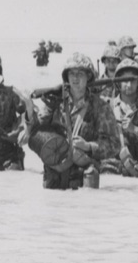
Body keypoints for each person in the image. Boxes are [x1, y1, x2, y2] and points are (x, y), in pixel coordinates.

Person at [31, 52, 121, 190]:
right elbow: (35, 133)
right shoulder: (55, 102)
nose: (75, 78)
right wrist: (43, 107)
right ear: (66, 77)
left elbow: (114, 145)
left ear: (88, 77)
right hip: (56, 172)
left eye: (80, 74)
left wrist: (88, 146)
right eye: (72, 73)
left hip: (83, 175)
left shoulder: (100, 107)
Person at [100, 58, 138, 177]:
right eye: (125, 80)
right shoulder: (107, 107)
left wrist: (135, 130)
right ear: (118, 83)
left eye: (133, 80)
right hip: (111, 168)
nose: (129, 85)